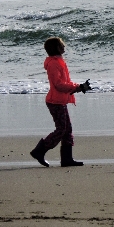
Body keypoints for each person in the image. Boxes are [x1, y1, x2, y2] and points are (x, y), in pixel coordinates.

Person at [30, 37, 91, 167]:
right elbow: (58, 85)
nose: (64, 46)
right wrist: (76, 87)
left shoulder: (59, 62)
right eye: (61, 45)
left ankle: (67, 159)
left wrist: (78, 87)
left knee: (67, 129)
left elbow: (66, 83)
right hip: (55, 101)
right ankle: (39, 151)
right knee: (62, 129)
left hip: (60, 100)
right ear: (56, 48)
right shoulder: (53, 64)